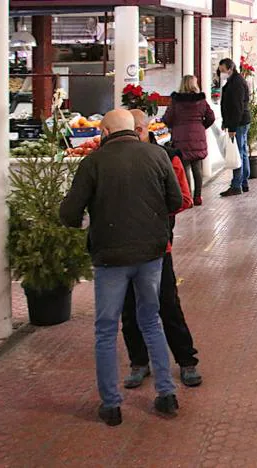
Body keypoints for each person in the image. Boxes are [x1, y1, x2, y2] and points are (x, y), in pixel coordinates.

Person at [59, 109, 183, 426]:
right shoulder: (157, 155)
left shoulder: (94, 162)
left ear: (104, 131)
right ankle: (166, 395)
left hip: (110, 257)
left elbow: (70, 212)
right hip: (151, 254)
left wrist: (88, 218)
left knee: (105, 329)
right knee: (151, 320)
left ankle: (111, 405)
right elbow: (174, 201)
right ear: (133, 129)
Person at [121, 109, 201, 390]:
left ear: (144, 129)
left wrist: (150, 210)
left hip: (158, 246)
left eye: (136, 131)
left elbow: (184, 198)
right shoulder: (116, 161)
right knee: (129, 308)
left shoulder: (169, 157)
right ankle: (139, 362)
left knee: (168, 304)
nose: (131, 138)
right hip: (123, 249)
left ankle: (186, 360)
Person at [162, 75, 215, 207]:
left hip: (181, 136)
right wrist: (202, 126)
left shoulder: (176, 101)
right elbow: (211, 117)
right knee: (197, 168)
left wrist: (174, 126)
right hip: (198, 135)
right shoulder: (201, 100)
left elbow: (167, 118)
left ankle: (188, 198)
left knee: (184, 167)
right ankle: (197, 197)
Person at [218, 58, 252, 197]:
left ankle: (237, 183)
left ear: (230, 69)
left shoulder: (236, 83)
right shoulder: (235, 81)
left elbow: (236, 107)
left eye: (222, 71)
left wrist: (231, 127)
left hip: (238, 123)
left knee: (237, 152)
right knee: (242, 151)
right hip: (240, 121)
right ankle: (243, 181)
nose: (221, 73)